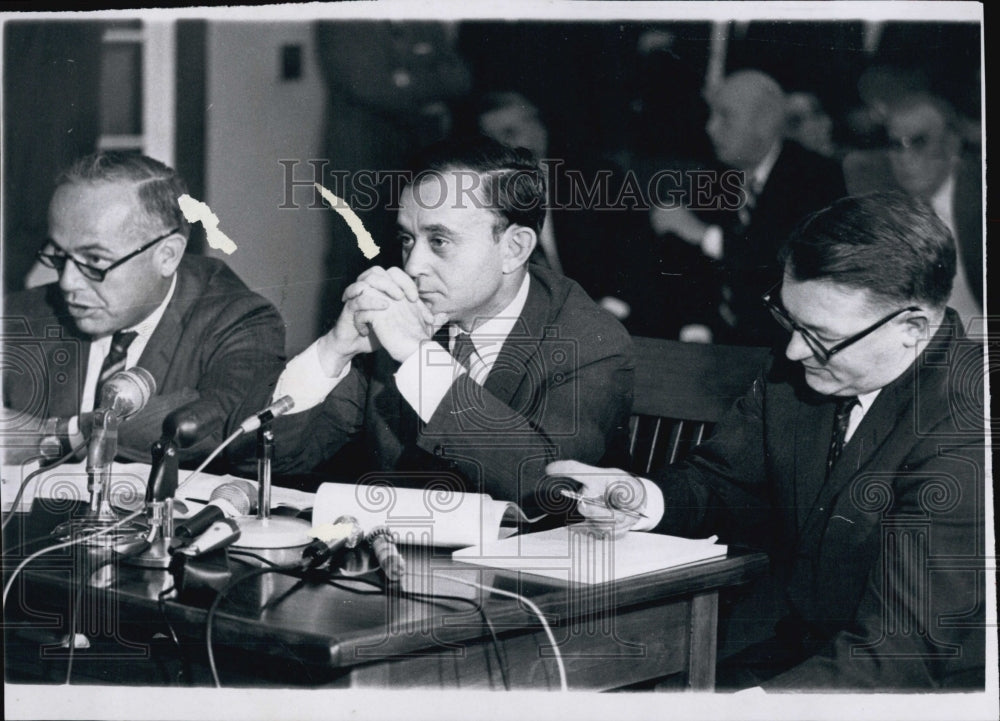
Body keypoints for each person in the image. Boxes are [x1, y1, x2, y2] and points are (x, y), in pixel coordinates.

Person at [551, 192, 984, 690]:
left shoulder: (969, 429)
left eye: (820, 334)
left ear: (912, 327)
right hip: (768, 650)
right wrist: (640, 499)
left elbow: (903, 651)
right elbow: (722, 481)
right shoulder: (809, 370)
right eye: (789, 319)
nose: (795, 349)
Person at [255, 137, 634, 511]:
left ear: (514, 248)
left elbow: (550, 491)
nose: (413, 266)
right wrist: (333, 350)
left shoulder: (591, 340)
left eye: (439, 241)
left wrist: (420, 359)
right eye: (407, 239)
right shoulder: (400, 316)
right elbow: (277, 464)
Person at [2, 152, 286, 465]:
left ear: (167, 255)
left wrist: (58, 436)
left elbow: (223, 419)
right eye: (58, 255)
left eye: (94, 260)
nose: (67, 282)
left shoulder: (238, 319)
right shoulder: (17, 315)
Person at [649, 69, 846, 347]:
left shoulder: (816, 176)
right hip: (714, 340)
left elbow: (786, 264)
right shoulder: (717, 177)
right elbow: (687, 266)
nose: (710, 127)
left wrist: (704, 236)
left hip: (780, 345)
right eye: (711, 115)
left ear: (764, 123)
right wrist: (696, 328)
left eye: (725, 116)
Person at [844, 92, 982, 330]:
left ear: (951, 143)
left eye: (918, 142)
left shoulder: (980, 193)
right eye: (896, 145)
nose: (904, 157)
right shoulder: (885, 204)